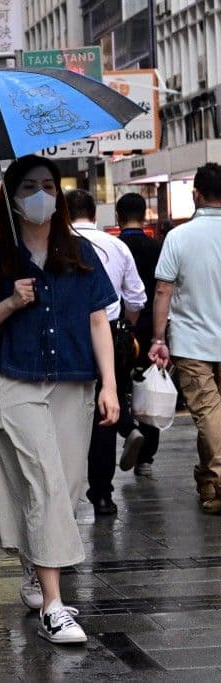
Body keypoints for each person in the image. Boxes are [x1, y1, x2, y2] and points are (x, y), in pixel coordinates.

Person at [0, 156, 119, 645]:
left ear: (61, 193)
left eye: (48, 185)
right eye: (29, 186)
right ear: (12, 197)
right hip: (14, 384)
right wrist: (11, 301)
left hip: (74, 383)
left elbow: (99, 320)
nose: (40, 194)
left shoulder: (80, 253)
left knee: (66, 491)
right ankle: (54, 604)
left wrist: (110, 385)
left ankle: (36, 571)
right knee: (47, 483)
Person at [66, 189, 147, 516]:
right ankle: (102, 494)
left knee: (66, 412)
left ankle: (66, 496)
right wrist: (126, 328)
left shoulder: (57, 244)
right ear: (95, 214)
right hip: (109, 333)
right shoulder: (117, 246)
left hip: (68, 336)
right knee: (105, 412)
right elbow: (136, 299)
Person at [149, 162, 221, 515]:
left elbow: (163, 289)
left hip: (191, 343)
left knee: (209, 414)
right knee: (215, 417)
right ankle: (210, 484)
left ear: (196, 194)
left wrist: (157, 338)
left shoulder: (178, 237)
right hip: (198, 342)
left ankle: (215, 480)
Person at [116, 193, 163, 476]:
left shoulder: (114, 247)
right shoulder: (156, 248)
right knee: (150, 388)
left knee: (116, 384)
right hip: (149, 326)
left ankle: (127, 428)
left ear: (118, 218)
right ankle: (146, 458)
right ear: (145, 215)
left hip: (118, 328)